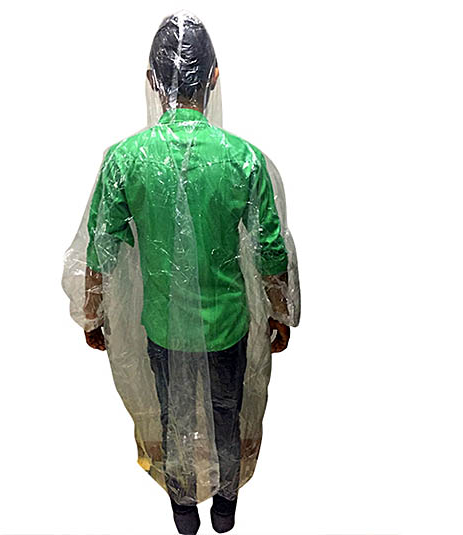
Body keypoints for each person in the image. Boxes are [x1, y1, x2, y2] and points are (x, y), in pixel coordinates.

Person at [62, 10, 300, 535]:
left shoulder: (125, 159)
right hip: (227, 325)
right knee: (226, 415)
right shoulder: (245, 159)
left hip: (163, 328)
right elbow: (270, 248)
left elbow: (99, 248)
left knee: (172, 419)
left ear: (151, 80)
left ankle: (183, 512)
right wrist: (280, 315)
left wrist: (93, 316)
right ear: (213, 77)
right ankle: (226, 510)